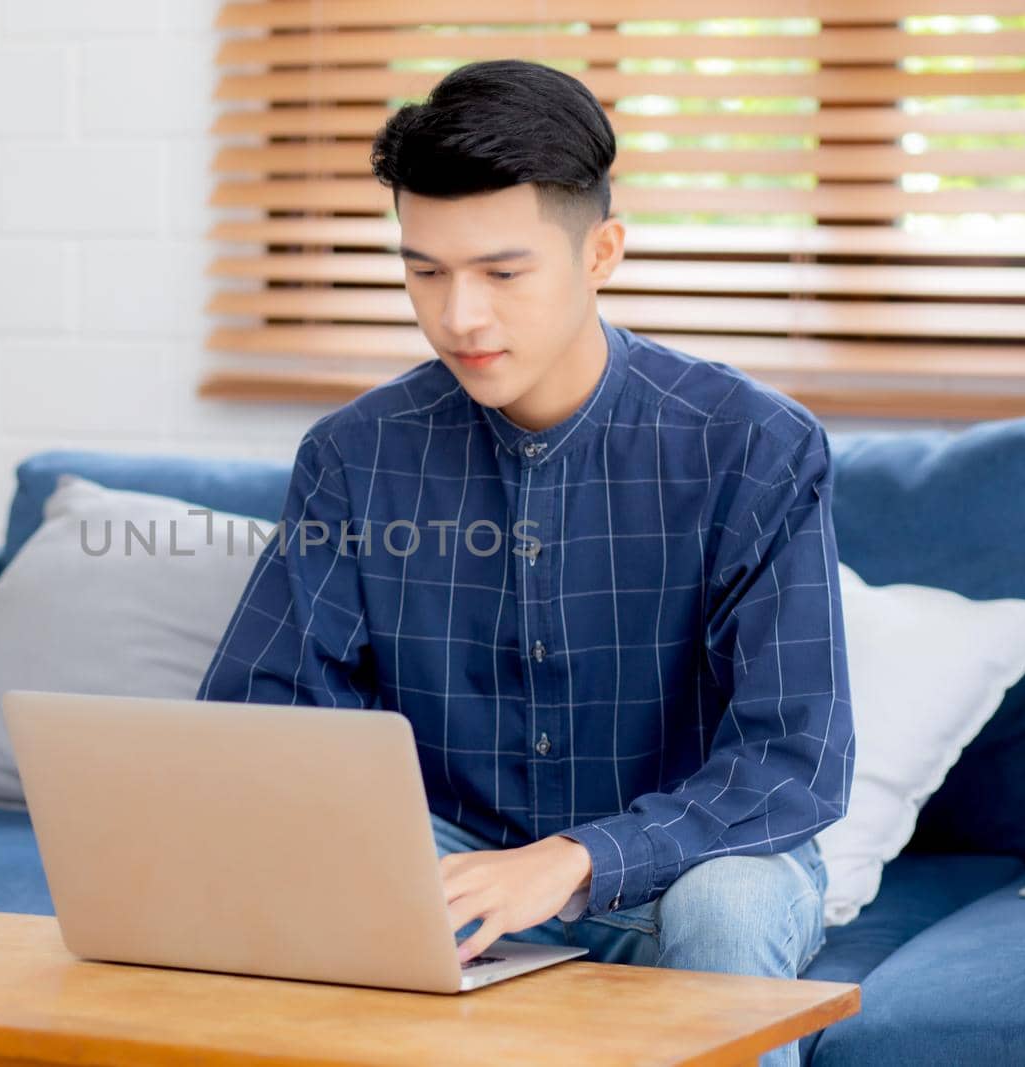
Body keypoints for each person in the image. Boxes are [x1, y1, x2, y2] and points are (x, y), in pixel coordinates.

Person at [196, 59, 853, 1067]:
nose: (459, 317)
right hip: (453, 863)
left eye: (502, 273)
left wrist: (579, 857)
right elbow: (267, 716)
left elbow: (792, 761)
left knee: (730, 902)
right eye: (424, 271)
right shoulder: (353, 454)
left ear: (601, 252)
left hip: (688, 865)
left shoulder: (751, 445)